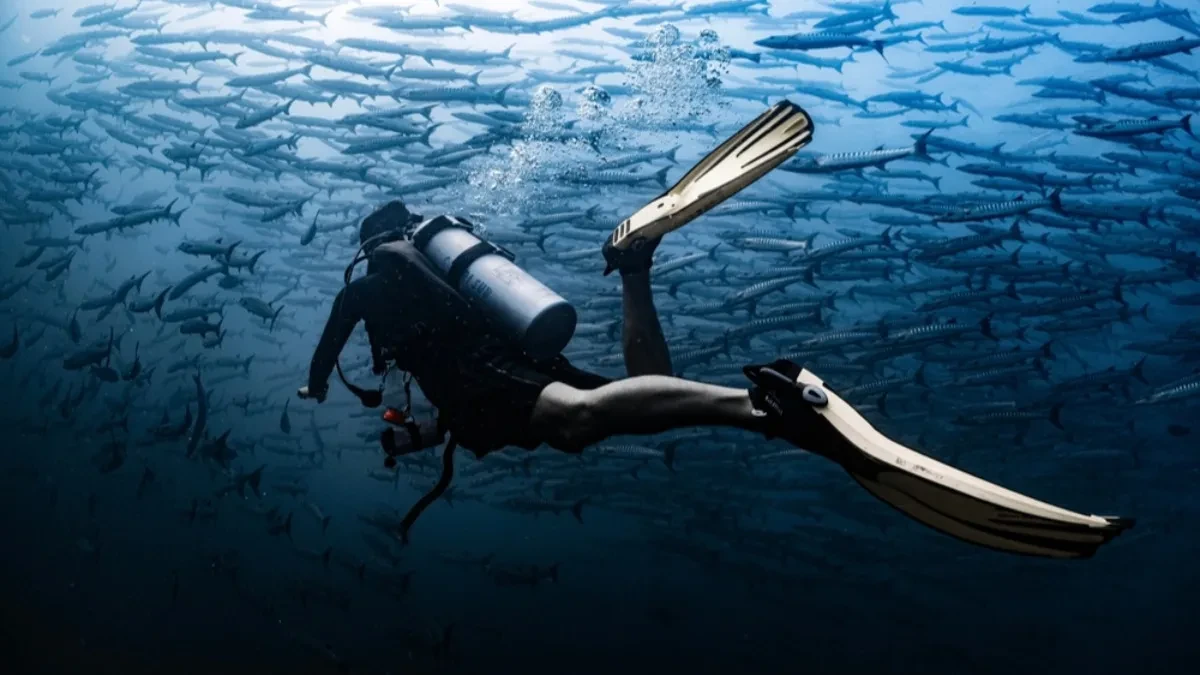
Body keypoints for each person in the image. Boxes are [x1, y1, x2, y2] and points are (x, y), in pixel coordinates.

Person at [299, 101, 1133, 558]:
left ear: (367, 245)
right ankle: (634, 268)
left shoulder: (373, 284)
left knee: (581, 421)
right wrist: (414, 437)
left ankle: (764, 407)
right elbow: (436, 398)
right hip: (508, 357)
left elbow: (335, 354)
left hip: (496, 382)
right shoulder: (437, 271)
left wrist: (313, 381)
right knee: (624, 400)